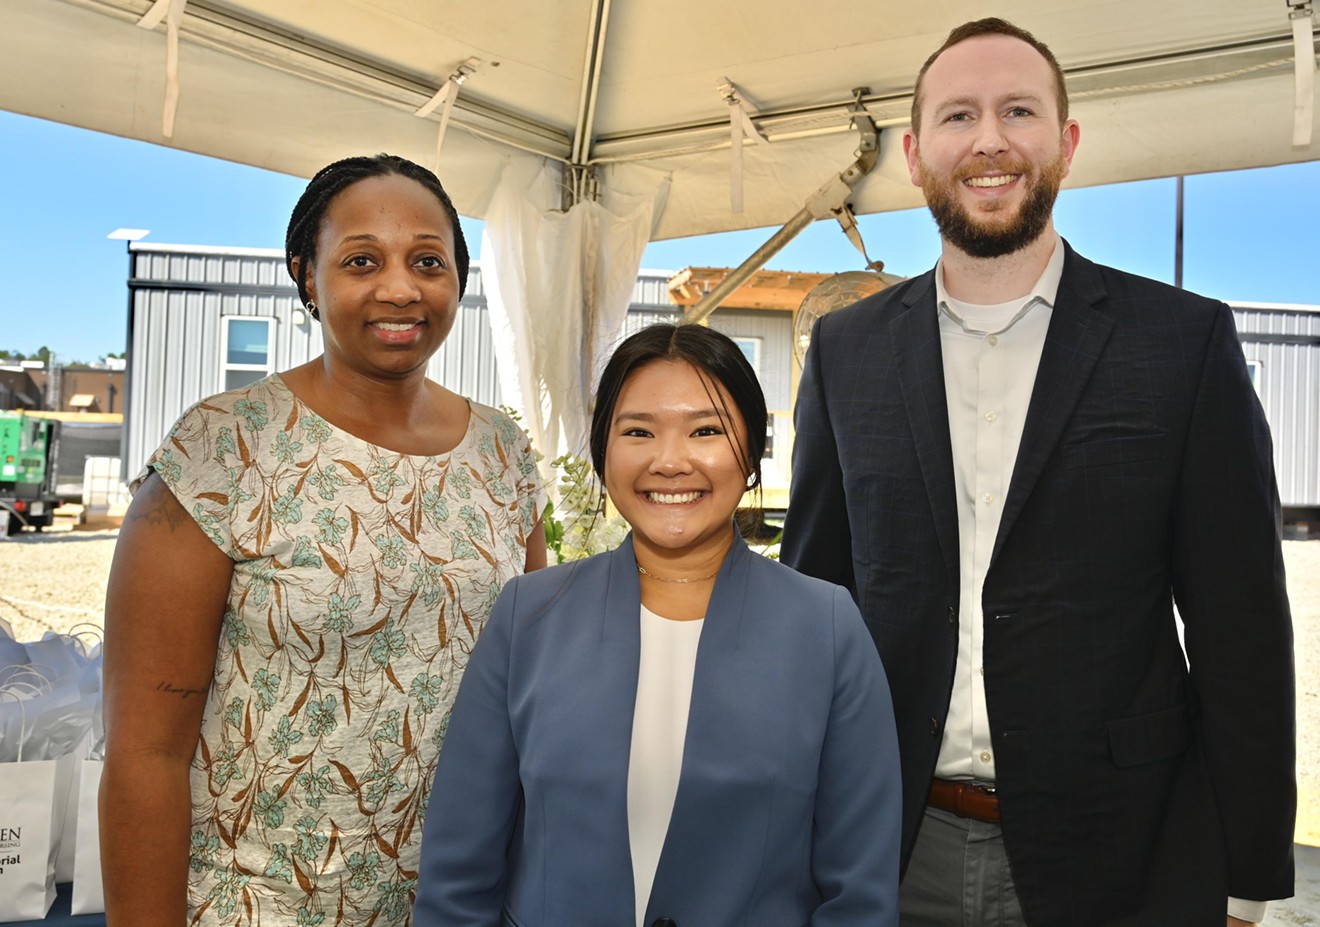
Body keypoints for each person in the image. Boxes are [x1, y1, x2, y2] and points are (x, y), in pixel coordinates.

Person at [781, 18, 1295, 927]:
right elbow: (813, 606)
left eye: (1018, 110)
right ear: (913, 152)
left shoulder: (1183, 344)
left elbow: (1241, 629)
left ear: (1065, 143)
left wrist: (1247, 874)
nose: (988, 139)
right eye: (958, 115)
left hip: (1122, 854)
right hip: (886, 848)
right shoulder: (844, 354)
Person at [100, 154, 546, 927]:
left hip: (460, 902)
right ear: (308, 277)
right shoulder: (222, 449)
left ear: (458, 281)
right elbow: (145, 755)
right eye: (361, 260)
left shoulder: (501, 452)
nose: (400, 287)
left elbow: (534, 686)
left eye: (428, 261)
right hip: (255, 905)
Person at [412, 323, 901, 926]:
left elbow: (859, 895)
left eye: (706, 431)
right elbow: (458, 874)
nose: (670, 462)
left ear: (752, 452)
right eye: (638, 431)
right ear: (603, 451)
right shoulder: (528, 616)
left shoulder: (828, 628)